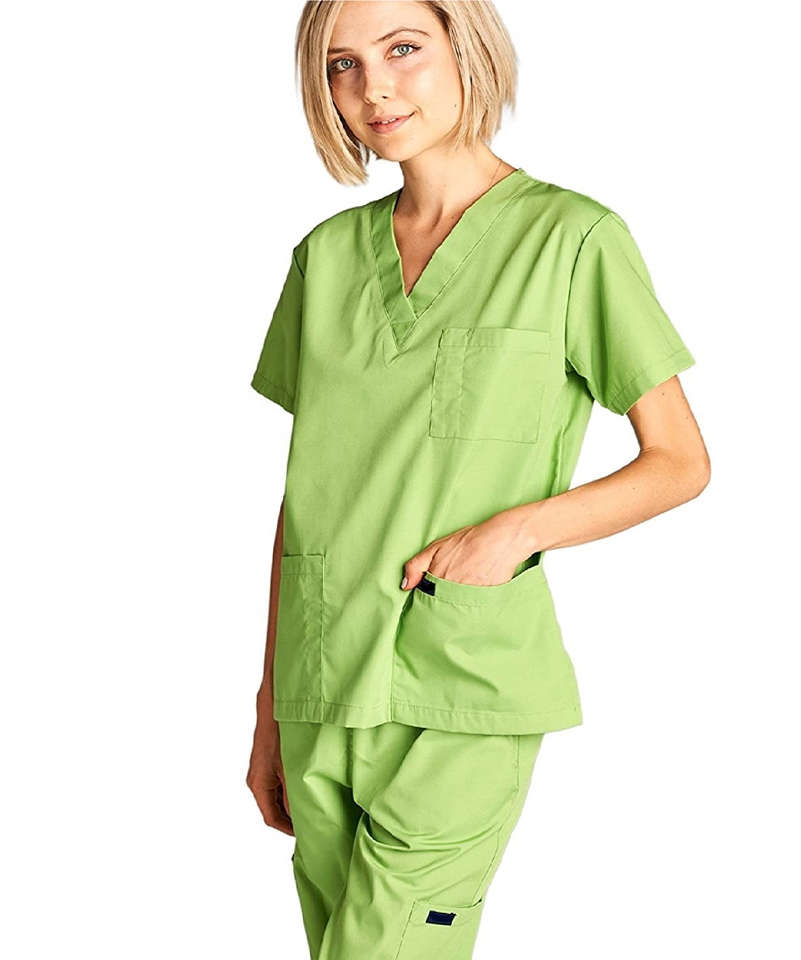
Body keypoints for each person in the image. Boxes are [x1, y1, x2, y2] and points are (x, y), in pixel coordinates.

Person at [245, 2, 710, 957]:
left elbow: (678, 462)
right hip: (320, 676)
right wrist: (265, 710)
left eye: (402, 49)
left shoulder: (570, 239)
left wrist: (516, 532)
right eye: (341, 64)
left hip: (463, 674)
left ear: (468, 50)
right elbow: (307, 492)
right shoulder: (324, 258)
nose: (374, 87)